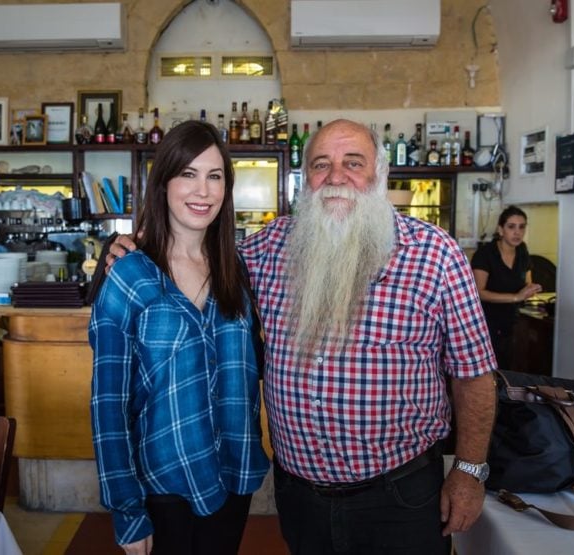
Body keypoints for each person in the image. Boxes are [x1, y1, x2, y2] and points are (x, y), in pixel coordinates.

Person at [108, 119, 497, 554]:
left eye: (353, 163)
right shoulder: (265, 250)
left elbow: (475, 374)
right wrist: (128, 247)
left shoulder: (435, 254)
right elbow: (193, 251)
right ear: (304, 178)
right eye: (320, 164)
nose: (335, 177)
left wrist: (469, 471)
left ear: (380, 174)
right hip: (300, 499)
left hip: (400, 496)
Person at [89, 120, 269, 555]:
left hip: (235, 473)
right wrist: (127, 510)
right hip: (164, 481)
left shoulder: (237, 271)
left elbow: (252, 367)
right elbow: (107, 405)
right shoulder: (130, 275)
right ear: (164, 182)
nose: (202, 191)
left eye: (214, 176)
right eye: (188, 174)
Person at [471, 205, 542, 370]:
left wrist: (532, 290)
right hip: (486, 324)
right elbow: (479, 293)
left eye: (521, 227)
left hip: (513, 322)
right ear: (501, 229)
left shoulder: (522, 250)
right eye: (511, 227)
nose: (517, 232)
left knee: (511, 369)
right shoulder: (485, 254)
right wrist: (516, 297)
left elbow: (527, 282)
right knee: (490, 372)